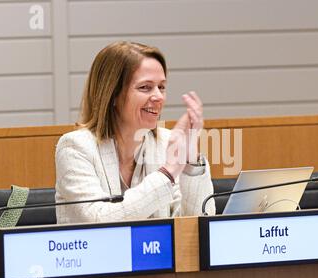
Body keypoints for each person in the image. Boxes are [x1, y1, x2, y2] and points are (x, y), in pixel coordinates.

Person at [55, 41, 216, 223]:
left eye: (161, 87)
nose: (158, 97)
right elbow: (98, 221)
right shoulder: (75, 148)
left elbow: (197, 227)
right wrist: (168, 173)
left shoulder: (167, 142)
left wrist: (191, 163)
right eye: (145, 87)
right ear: (113, 94)